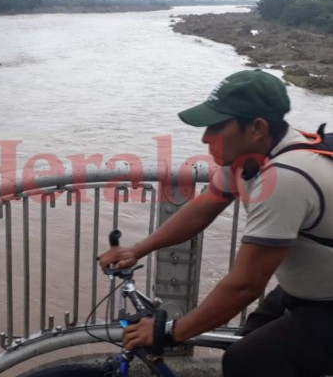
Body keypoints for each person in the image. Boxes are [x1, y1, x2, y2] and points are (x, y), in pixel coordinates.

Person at [98, 70, 333, 377]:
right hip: (309, 290)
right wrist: (137, 250)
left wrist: (168, 331)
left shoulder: (287, 177)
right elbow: (201, 210)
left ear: (257, 127)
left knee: (246, 361)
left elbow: (245, 284)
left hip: (325, 303)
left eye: (217, 126)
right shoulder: (250, 159)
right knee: (246, 341)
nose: (205, 137)